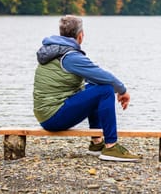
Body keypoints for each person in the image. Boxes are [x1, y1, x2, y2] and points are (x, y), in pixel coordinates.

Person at [33, 15, 141, 162]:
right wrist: (122, 91)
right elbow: (105, 77)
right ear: (81, 35)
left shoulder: (55, 51)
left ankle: (96, 144)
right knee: (105, 90)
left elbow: (95, 79)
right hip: (54, 117)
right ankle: (111, 146)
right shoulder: (70, 56)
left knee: (97, 88)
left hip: (46, 114)